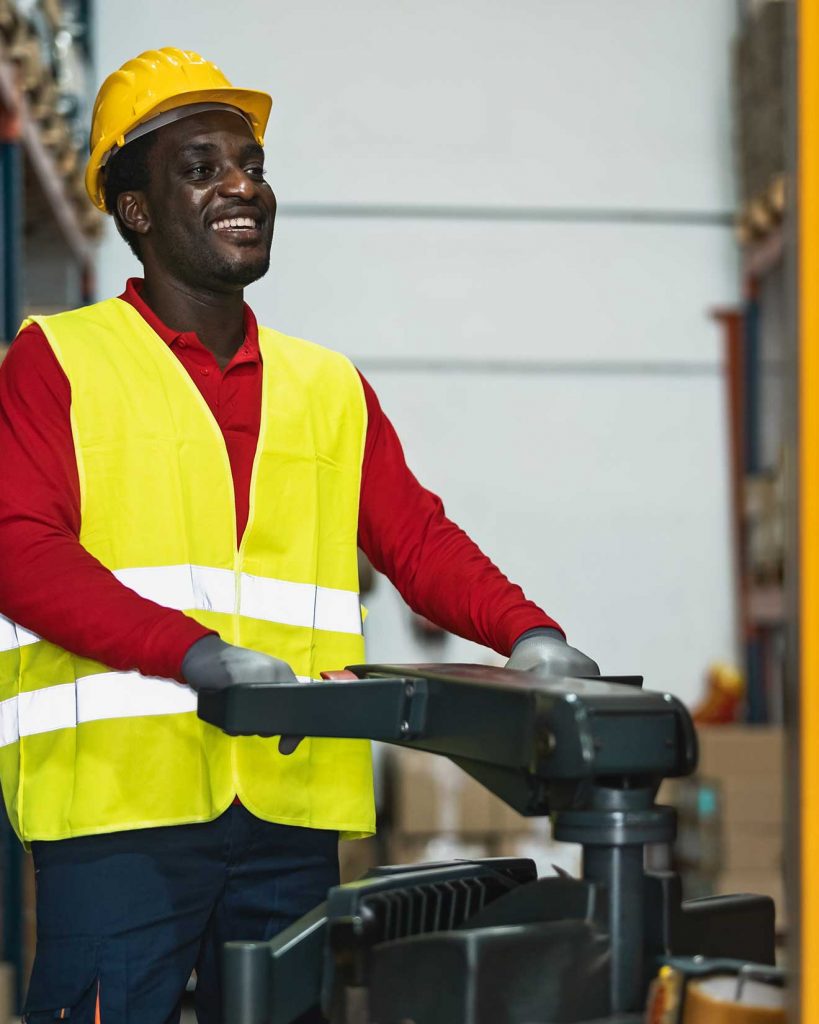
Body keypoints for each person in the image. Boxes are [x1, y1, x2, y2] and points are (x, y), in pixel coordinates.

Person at [0, 48, 598, 1023]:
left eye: (253, 165)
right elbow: (17, 549)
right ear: (137, 211)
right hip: (120, 817)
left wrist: (527, 634)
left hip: (287, 812)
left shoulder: (328, 387)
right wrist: (192, 653)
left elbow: (416, 537)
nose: (243, 185)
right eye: (201, 167)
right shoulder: (58, 363)